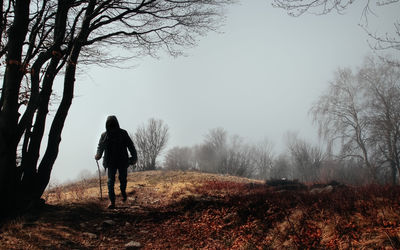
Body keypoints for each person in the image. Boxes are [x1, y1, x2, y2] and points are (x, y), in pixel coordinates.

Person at [95, 115, 137, 209]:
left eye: (113, 123)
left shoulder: (123, 133)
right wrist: (98, 155)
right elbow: (100, 147)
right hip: (110, 162)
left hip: (122, 160)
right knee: (110, 182)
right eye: (110, 124)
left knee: (123, 179)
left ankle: (123, 192)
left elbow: (131, 146)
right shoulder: (104, 135)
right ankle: (112, 201)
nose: (111, 126)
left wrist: (134, 157)